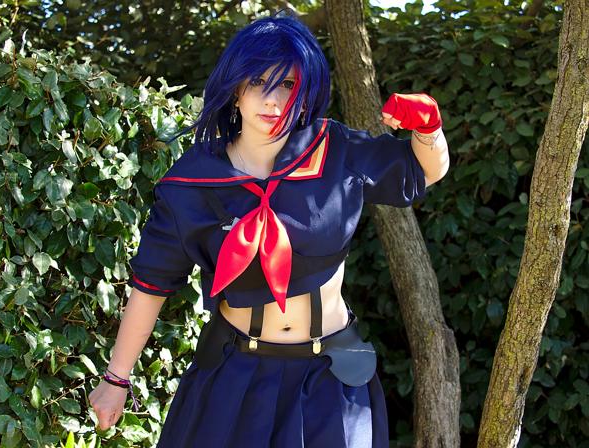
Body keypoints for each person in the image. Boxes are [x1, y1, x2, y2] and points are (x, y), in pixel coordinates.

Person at [88, 10, 449, 448]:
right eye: (259, 81)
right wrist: (117, 378)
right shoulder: (192, 180)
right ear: (235, 88)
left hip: (331, 381)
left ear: (306, 94)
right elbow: (151, 283)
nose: (273, 100)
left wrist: (428, 130)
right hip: (235, 378)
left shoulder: (336, 151)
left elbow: (423, 171)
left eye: (288, 85)